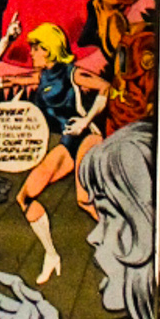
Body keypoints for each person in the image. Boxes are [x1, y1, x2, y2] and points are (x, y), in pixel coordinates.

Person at [18, 21, 106, 286]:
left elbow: (105, 87)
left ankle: (121, 244)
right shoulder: (42, 77)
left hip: (87, 137)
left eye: (36, 48)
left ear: (49, 50)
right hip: (67, 143)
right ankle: (51, 255)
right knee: (25, 197)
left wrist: (85, 120)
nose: (31, 53)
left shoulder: (72, 73)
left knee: (84, 200)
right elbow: (11, 80)